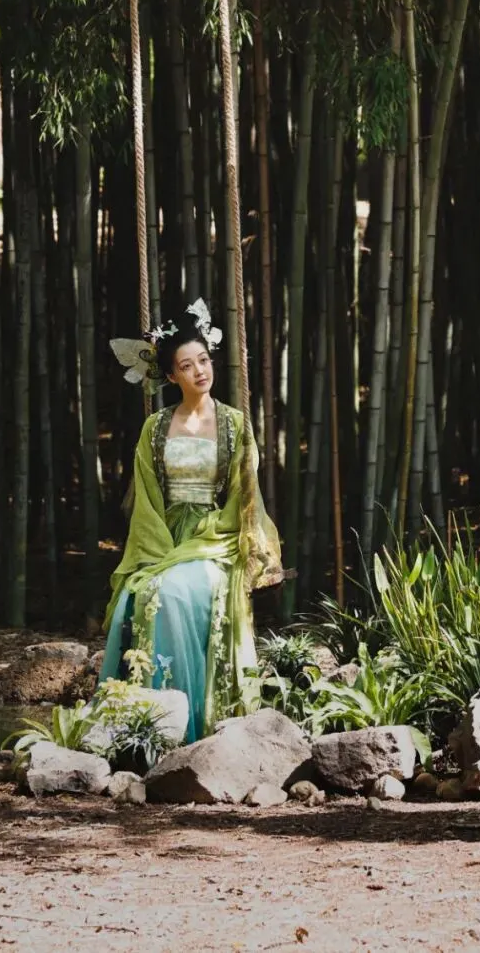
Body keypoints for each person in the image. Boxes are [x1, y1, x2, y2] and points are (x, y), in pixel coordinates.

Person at [100, 299, 282, 742]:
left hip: (216, 538)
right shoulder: (156, 427)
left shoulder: (235, 425)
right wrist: (160, 553)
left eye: (203, 360)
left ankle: (189, 724)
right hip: (163, 538)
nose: (199, 370)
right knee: (135, 595)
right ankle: (139, 727)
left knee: (172, 592)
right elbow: (147, 503)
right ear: (171, 376)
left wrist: (209, 535)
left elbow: (243, 499)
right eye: (186, 365)